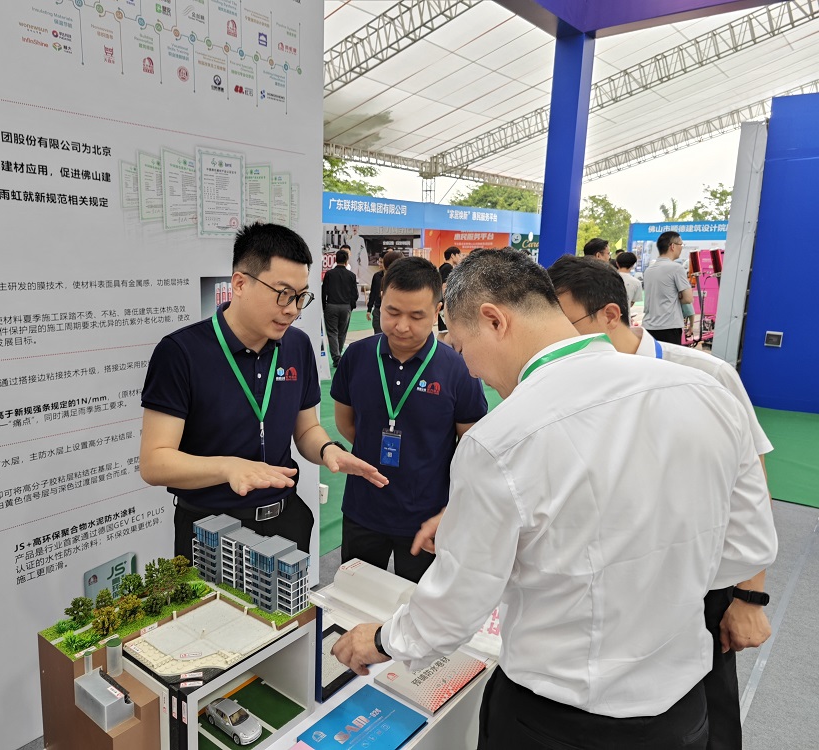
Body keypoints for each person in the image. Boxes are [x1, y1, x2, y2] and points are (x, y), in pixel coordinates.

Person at [332, 249, 776, 750]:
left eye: (460, 345)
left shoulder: (502, 439)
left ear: (494, 320)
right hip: (683, 711)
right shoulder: (707, 391)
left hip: (555, 719)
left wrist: (381, 640)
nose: (469, 369)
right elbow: (749, 548)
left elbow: (457, 606)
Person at [547, 254, 775, 750]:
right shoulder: (561, 383)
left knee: (706, 712)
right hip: (603, 579)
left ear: (611, 314)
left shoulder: (705, 375)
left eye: (563, 327)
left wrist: (748, 597)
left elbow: (750, 489)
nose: (552, 343)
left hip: (695, 582)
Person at [140, 223, 386, 559]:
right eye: (283, 294)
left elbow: (306, 429)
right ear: (240, 283)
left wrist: (327, 449)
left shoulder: (297, 345)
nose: (293, 309)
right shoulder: (181, 352)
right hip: (209, 530)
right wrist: (228, 468)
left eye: (301, 296)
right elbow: (155, 462)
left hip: (285, 521)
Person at [330, 257, 487, 582]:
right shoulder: (357, 357)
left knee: (421, 602)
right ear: (380, 301)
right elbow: (346, 423)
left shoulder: (458, 368)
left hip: (428, 517)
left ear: (437, 310)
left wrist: (451, 508)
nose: (402, 326)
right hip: (363, 510)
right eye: (392, 312)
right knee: (356, 595)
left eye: (416, 316)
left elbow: (472, 445)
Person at [643, 231, 693, 344]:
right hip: (669, 327)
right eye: (681, 244)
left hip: (649, 326)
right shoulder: (676, 268)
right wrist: (676, 296)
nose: (682, 247)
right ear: (672, 246)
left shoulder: (649, 270)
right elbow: (688, 298)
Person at [321, 249, 358, 367]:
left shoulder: (329, 274)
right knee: (342, 332)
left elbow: (324, 291)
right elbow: (355, 294)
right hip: (345, 307)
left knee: (332, 332)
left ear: (335, 260)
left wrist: (324, 306)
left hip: (331, 305)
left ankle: (336, 357)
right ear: (347, 261)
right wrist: (351, 306)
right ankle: (338, 355)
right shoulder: (351, 275)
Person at [365, 250, 403, 335]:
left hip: (394, 311)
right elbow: (373, 292)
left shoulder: (401, 279)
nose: (380, 264)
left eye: (382, 262)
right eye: (379, 262)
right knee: (378, 334)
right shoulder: (377, 277)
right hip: (378, 309)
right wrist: (369, 309)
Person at [436, 247, 461, 342]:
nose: (459, 258)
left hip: (441, 302)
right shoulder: (448, 268)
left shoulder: (443, 267)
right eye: (458, 255)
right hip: (444, 304)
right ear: (452, 256)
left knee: (443, 332)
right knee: (446, 332)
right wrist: (447, 303)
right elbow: (444, 286)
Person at [614, 250, 643, 318]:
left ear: (617, 263)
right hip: (625, 318)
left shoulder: (607, 278)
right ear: (633, 265)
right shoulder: (637, 283)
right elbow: (631, 303)